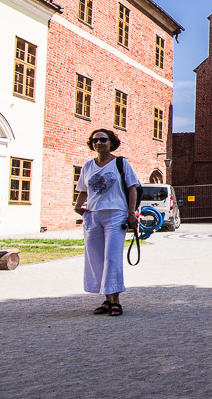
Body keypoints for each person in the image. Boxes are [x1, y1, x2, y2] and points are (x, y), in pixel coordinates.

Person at [73, 128, 138, 316]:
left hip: (115, 215)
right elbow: (83, 190)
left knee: (112, 257)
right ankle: (106, 300)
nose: (98, 143)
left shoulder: (121, 163)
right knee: (96, 258)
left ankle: (116, 300)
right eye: (95, 141)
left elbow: (132, 188)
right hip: (93, 216)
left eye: (102, 140)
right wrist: (78, 207)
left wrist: (131, 212)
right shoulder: (87, 166)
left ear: (111, 142)